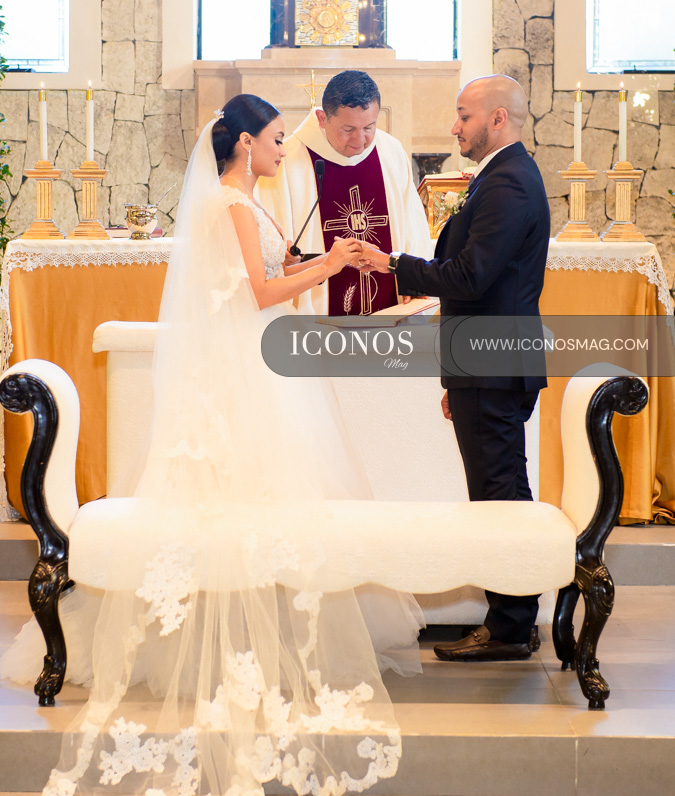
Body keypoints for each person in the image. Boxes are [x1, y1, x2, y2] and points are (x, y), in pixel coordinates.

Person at [2, 95, 423, 796]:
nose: (283, 149)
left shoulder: (245, 203)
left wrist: (312, 257)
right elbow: (259, 293)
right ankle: (227, 634)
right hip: (243, 378)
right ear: (244, 144)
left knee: (259, 504)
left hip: (256, 367)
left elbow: (265, 272)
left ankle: (262, 623)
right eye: (276, 138)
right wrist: (326, 268)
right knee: (238, 497)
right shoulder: (228, 204)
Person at [359, 75, 550, 662]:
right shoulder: (500, 176)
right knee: (496, 490)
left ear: (497, 119)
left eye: (463, 115)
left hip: (493, 362)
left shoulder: (510, 183)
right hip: (483, 363)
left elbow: (469, 276)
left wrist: (394, 264)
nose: (454, 126)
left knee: (500, 496)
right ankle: (511, 617)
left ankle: (512, 626)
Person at [257, 70, 433, 315]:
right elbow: (271, 245)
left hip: (390, 311)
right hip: (315, 317)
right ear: (321, 118)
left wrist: (414, 280)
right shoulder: (286, 159)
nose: (360, 140)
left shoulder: (390, 150)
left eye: (369, 127)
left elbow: (413, 225)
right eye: (348, 129)